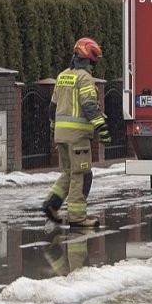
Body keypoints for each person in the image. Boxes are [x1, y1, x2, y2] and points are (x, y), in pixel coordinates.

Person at [41, 36, 112, 228]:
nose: (93, 65)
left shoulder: (63, 75)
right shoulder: (85, 79)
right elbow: (89, 106)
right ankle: (78, 218)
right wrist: (102, 129)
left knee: (68, 172)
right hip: (78, 137)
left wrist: (53, 127)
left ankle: (51, 204)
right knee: (81, 174)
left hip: (61, 135)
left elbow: (52, 108)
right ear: (89, 58)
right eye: (92, 61)